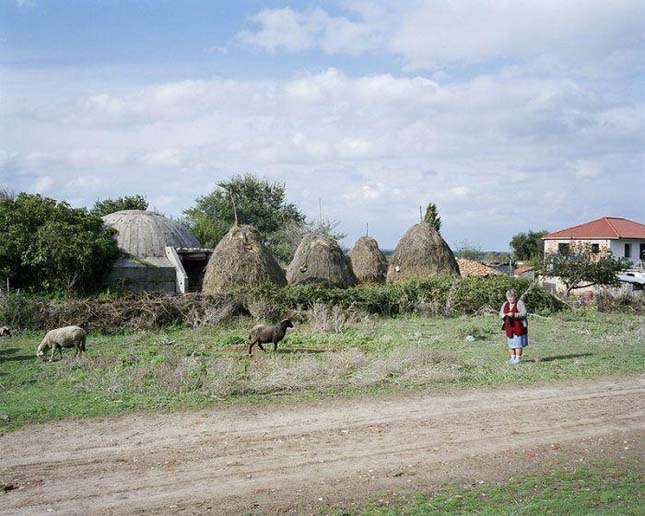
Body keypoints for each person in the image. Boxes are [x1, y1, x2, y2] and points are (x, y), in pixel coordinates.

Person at [499, 289, 528, 365]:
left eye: (511, 297)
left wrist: (514, 315)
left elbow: (524, 313)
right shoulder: (505, 304)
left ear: (515, 297)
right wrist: (502, 315)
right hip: (509, 326)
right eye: (508, 297)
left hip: (518, 326)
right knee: (511, 343)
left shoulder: (519, 303)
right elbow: (500, 313)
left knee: (518, 343)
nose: (510, 298)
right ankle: (512, 358)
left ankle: (517, 359)